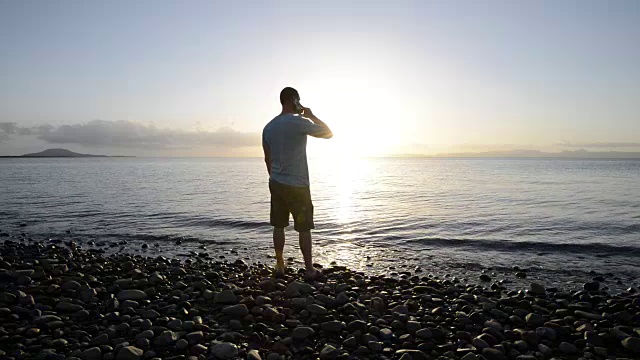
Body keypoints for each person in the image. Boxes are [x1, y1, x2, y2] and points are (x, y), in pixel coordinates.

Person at [262, 87, 333, 279]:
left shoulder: (268, 127)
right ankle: (309, 269)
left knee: (278, 226)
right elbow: (328, 133)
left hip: (276, 182)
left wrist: (274, 177)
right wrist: (312, 115)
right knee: (304, 228)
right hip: (298, 184)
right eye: (298, 100)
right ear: (294, 100)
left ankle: (279, 265)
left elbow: (267, 159)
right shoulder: (299, 122)